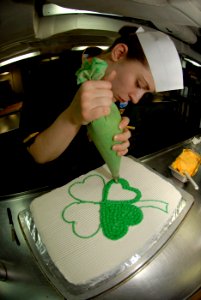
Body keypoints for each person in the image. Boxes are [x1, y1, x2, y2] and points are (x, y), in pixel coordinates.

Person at [19, 25, 183, 189]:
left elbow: (125, 132)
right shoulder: (49, 74)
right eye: (139, 84)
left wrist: (121, 140)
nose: (136, 98)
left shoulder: (123, 95)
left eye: (146, 92)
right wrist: (72, 118)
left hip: (98, 182)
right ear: (118, 53)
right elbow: (38, 154)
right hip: (54, 186)